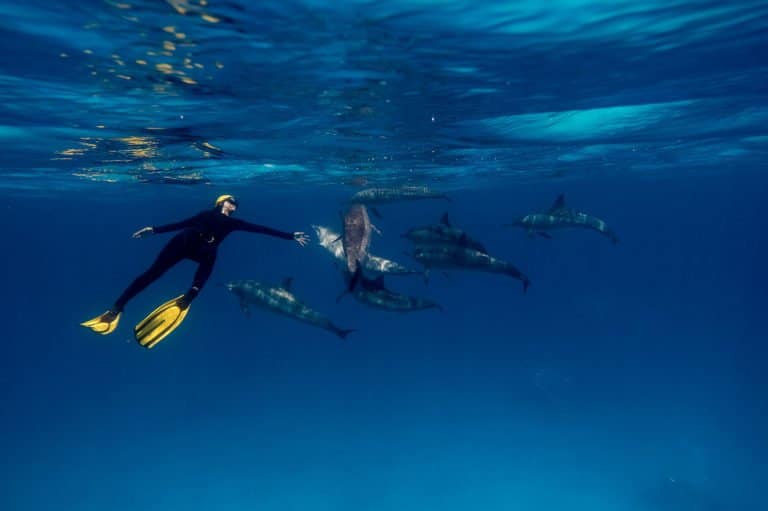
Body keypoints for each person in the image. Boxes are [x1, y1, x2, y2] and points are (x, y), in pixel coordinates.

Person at [82, 194, 310, 348]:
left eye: (236, 203)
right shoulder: (205, 214)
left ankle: (188, 297)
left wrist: (289, 235)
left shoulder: (233, 223)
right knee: (151, 275)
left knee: (204, 273)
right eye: (232, 201)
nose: (235, 204)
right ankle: (115, 309)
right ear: (221, 202)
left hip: (206, 250)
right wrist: (153, 230)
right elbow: (180, 223)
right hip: (185, 241)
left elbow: (259, 229)